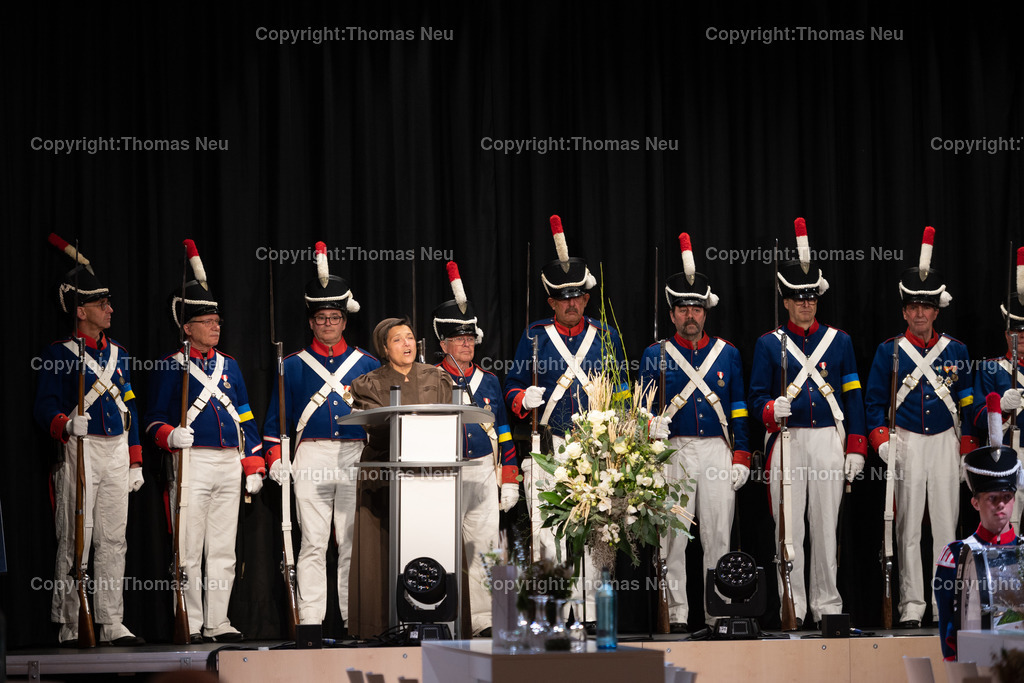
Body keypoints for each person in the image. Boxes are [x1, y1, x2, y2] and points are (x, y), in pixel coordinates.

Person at [504, 215, 628, 616]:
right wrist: (526, 398)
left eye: (578, 296)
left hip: (596, 448)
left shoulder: (606, 336)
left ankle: (590, 613)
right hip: (550, 446)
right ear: (551, 301)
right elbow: (511, 386)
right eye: (564, 298)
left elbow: (622, 388)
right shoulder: (534, 335)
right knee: (549, 532)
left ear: (586, 298)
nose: (572, 303)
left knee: (596, 532)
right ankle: (557, 613)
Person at [748, 218, 867, 628]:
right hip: (788, 439)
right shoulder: (768, 343)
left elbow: (853, 397)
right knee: (788, 529)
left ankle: (828, 606)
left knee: (825, 528)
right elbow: (754, 398)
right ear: (785, 301)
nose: (805, 304)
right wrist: (769, 410)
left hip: (827, 441)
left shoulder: (840, 341)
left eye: (811, 298)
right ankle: (792, 605)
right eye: (798, 298)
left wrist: (856, 447)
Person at [145, 239, 264, 643]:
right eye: (208, 321)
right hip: (190, 463)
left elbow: (245, 415)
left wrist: (253, 464)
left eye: (218, 320)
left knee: (223, 550)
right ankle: (191, 621)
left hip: (230, 463)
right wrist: (169, 436)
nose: (217, 325)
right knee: (189, 549)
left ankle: (219, 620)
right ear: (187, 326)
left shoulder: (230, 366)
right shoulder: (170, 367)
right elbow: (151, 421)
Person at [33, 235, 144, 646]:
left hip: (115, 448)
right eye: (102, 305)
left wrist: (135, 459)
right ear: (81, 311)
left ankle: (111, 620)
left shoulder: (121, 355)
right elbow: (43, 407)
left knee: (115, 537)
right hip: (78, 449)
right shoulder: (59, 354)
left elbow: (131, 409)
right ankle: (70, 620)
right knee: (76, 535)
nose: (110, 309)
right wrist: (64, 424)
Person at [263, 242, 379, 629]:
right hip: (310, 455)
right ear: (311, 322)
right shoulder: (292, 365)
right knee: (312, 541)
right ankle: (310, 620)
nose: (328, 324)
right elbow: (273, 423)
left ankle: (352, 617)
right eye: (321, 318)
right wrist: (275, 458)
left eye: (334, 317)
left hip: (352, 455)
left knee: (351, 543)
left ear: (345, 321)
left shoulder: (367, 364)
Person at [865, 227, 976, 628]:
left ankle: (945, 602)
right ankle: (912, 605)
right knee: (908, 527)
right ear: (904, 310)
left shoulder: (957, 351)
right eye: (913, 306)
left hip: (945, 442)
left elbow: (968, 405)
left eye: (926, 307)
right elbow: (874, 403)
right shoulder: (888, 350)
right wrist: (880, 441)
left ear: (936, 310)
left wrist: (966, 452)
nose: (919, 314)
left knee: (947, 526)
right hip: (906, 441)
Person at [639, 233, 749, 632]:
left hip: (718, 451)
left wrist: (741, 456)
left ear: (706, 312)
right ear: (672, 314)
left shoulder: (728, 353)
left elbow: (739, 410)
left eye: (696, 308)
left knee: (718, 536)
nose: (690, 314)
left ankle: (717, 612)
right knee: (673, 539)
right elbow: (642, 411)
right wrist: (652, 426)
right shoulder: (655, 356)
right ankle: (678, 614)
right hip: (674, 451)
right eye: (683, 308)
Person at [347, 317, 454, 639]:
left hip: (432, 476)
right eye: (397, 340)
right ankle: (380, 624)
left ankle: (440, 619)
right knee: (383, 547)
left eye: (410, 338)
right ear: (383, 348)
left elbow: (448, 419)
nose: (407, 345)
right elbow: (378, 427)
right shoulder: (367, 383)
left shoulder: (437, 377)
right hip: (385, 473)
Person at [433, 261, 519, 635]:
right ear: (443, 344)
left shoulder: (489, 381)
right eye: (458, 338)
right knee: (442, 546)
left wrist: (509, 478)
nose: (466, 344)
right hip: (444, 473)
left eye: (470, 338)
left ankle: (484, 622)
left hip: (484, 472)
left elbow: (502, 431)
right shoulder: (430, 378)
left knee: (485, 549)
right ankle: (441, 617)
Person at [935, 394, 1022, 661]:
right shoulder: (956, 555)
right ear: (975, 502)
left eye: (1006, 498)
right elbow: (948, 622)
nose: (1000, 506)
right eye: (991, 499)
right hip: (974, 666)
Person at [973, 246, 1024, 531]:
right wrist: (1001, 408)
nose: (1021, 337)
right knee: (1009, 527)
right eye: (1015, 331)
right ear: (1006, 333)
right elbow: (978, 416)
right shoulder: (990, 368)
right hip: (1008, 455)